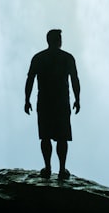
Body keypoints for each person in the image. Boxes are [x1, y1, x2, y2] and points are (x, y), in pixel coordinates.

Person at [25, 28, 80, 179]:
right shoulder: (67, 58)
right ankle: (62, 170)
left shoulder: (39, 58)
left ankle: (48, 168)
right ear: (58, 41)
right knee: (61, 137)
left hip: (44, 102)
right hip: (61, 102)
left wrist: (27, 100)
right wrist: (77, 99)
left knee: (45, 136)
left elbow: (30, 79)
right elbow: (74, 80)